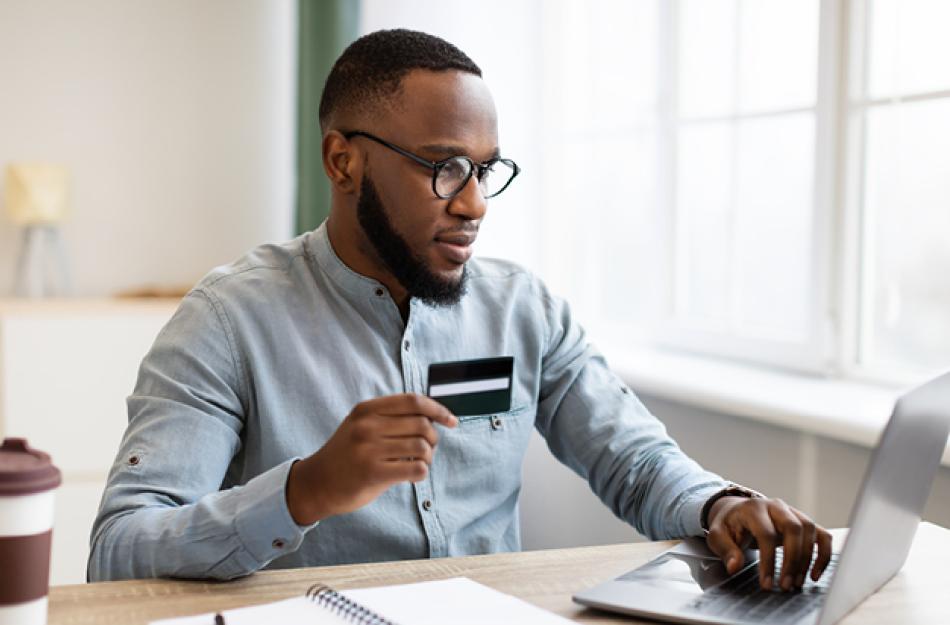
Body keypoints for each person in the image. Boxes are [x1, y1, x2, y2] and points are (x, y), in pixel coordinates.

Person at [88, 29, 832, 590]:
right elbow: (119, 548)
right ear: (343, 160)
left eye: (484, 170)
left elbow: (633, 460)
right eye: (443, 168)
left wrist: (720, 505)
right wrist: (304, 488)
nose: (473, 203)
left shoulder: (523, 309)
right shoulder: (227, 318)